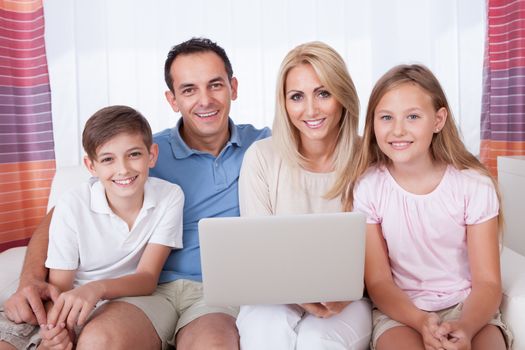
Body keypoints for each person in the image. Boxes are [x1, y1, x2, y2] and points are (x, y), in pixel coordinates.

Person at [2, 38, 270, 349]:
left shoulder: (266, 147)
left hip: (215, 294)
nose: (205, 100)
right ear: (172, 100)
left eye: (215, 85)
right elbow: (59, 218)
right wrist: (31, 281)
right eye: (188, 90)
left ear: (233, 87)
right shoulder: (137, 155)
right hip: (148, 290)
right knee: (99, 341)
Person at [335, 64, 513, 350]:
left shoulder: (474, 185)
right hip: (403, 312)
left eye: (413, 116)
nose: (397, 130)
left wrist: (465, 327)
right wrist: (420, 321)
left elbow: (488, 282)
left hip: (470, 308)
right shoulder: (369, 188)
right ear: (373, 123)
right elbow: (379, 282)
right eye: (386, 117)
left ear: (438, 120)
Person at [0, 105, 184, 350]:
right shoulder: (73, 204)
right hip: (64, 302)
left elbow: (148, 278)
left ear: (152, 155)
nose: (123, 169)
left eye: (134, 155)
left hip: (114, 302)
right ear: (91, 166)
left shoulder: (169, 196)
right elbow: (60, 288)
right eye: (108, 159)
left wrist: (96, 289)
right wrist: (54, 335)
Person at [235, 41, 372, 350]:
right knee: (265, 332)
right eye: (297, 97)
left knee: (318, 341)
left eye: (323, 93)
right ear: (284, 103)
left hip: (348, 297)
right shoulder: (262, 157)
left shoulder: (370, 157)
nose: (310, 110)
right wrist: (294, 293)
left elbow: (384, 251)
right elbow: (259, 251)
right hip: (273, 293)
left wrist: (346, 294)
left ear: (343, 96)